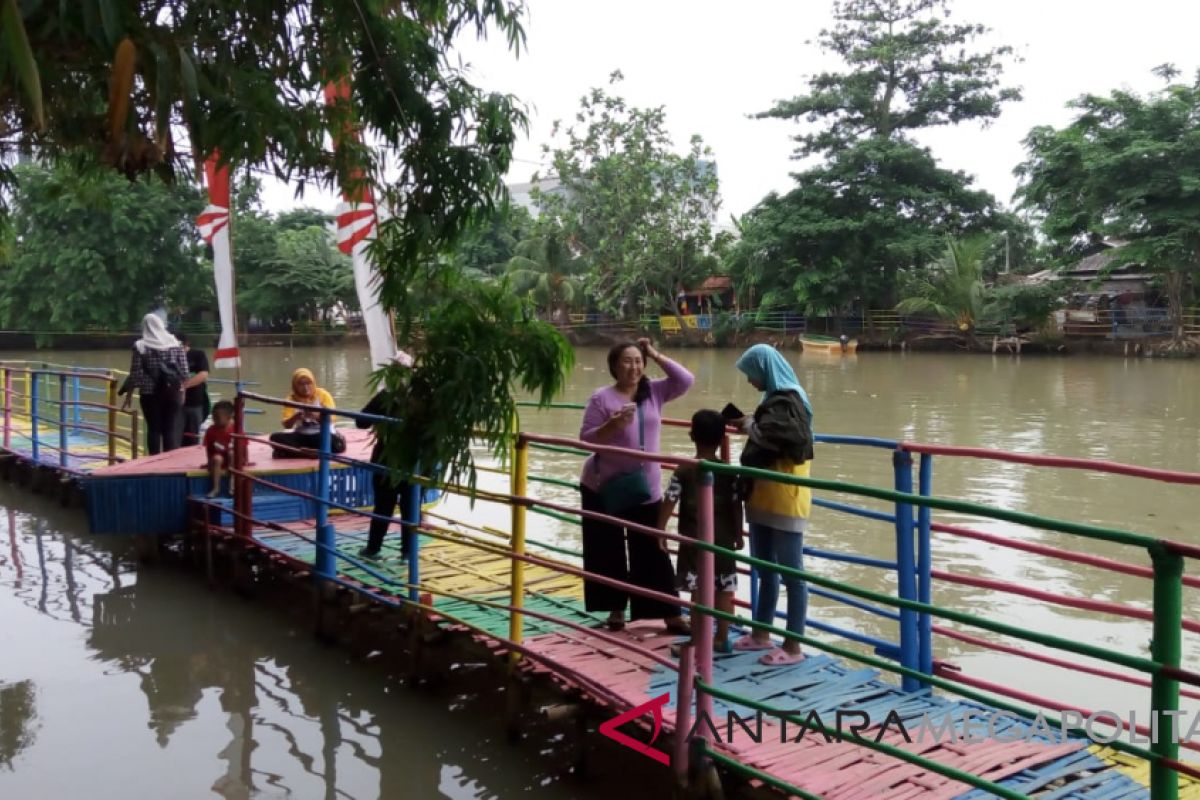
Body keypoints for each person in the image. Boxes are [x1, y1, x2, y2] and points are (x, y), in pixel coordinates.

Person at [579, 338, 693, 633]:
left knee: (652, 547)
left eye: (638, 361)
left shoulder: (653, 391)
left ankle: (670, 613)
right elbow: (586, 439)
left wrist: (654, 353)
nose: (634, 367)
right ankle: (616, 610)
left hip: (646, 488)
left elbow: (685, 379)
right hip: (604, 486)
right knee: (607, 548)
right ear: (614, 367)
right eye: (627, 361)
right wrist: (612, 426)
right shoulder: (601, 398)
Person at [730, 344, 815, 666]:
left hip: (785, 494)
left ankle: (793, 646)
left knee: (792, 572)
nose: (751, 381)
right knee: (764, 568)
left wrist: (749, 426)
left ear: (764, 369)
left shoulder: (789, 400)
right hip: (764, 493)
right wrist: (752, 421)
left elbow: (783, 439)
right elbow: (770, 430)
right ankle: (761, 633)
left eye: (751, 374)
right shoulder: (775, 399)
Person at [658, 409, 743, 654]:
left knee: (698, 594)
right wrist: (738, 534)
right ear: (721, 439)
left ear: (691, 436)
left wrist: (660, 529)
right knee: (725, 591)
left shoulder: (685, 470)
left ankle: (697, 641)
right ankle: (722, 639)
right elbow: (736, 504)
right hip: (724, 542)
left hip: (694, 541)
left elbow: (670, 498)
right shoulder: (729, 472)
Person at [356, 351, 417, 560]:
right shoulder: (413, 398)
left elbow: (361, 420)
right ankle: (406, 552)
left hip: (393, 459)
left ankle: (376, 548)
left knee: (388, 506)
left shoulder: (388, 395)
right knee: (405, 506)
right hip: (404, 460)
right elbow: (361, 420)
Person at [119, 313, 188, 455]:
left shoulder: (140, 346)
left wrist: (129, 394)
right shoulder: (176, 344)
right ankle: (169, 463)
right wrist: (181, 391)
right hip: (172, 393)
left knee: (154, 429)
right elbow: (185, 372)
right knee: (170, 429)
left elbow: (136, 374)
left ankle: (153, 462)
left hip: (149, 394)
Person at [268, 368, 344, 457]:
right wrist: (297, 416)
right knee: (274, 438)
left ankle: (296, 453)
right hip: (302, 435)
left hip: (321, 434)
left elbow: (332, 420)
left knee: (337, 444)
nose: (305, 387)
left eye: (308, 383)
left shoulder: (323, 395)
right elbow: (286, 425)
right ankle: (314, 453)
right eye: (301, 384)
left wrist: (314, 415)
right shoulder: (291, 399)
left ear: (313, 383)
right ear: (295, 386)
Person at [178, 334, 211, 446]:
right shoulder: (170, 356)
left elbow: (204, 374)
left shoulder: (198, 355)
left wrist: (184, 386)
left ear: (186, 343)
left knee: (192, 435)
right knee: (175, 436)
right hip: (175, 404)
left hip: (194, 403)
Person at [202, 400, 235, 497]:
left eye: (217, 418)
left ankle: (232, 486)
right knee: (217, 459)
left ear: (228, 418)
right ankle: (216, 488)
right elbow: (208, 449)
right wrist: (208, 462)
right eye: (213, 417)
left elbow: (243, 446)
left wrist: (245, 460)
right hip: (218, 458)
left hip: (232, 459)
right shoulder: (211, 431)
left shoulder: (236, 429)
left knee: (232, 453)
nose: (214, 420)